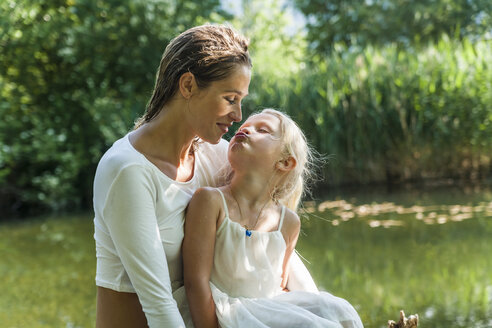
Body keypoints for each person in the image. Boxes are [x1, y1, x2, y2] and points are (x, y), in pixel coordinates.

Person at [93, 25, 316, 328]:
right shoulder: (127, 171)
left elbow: (269, 241)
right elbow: (159, 305)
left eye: (241, 100)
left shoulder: (217, 154)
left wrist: (319, 309)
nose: (239, 116)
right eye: (229, 98)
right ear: (187, 86)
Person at [183, 109, 364, 328]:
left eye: (263, 130)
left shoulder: (288, 222)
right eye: (242, 128)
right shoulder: (210, 201)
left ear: (285, 162)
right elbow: (195, 283)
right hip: (226, 313)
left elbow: (279, 283)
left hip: (267, 309)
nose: (246, 129)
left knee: (340, 310)